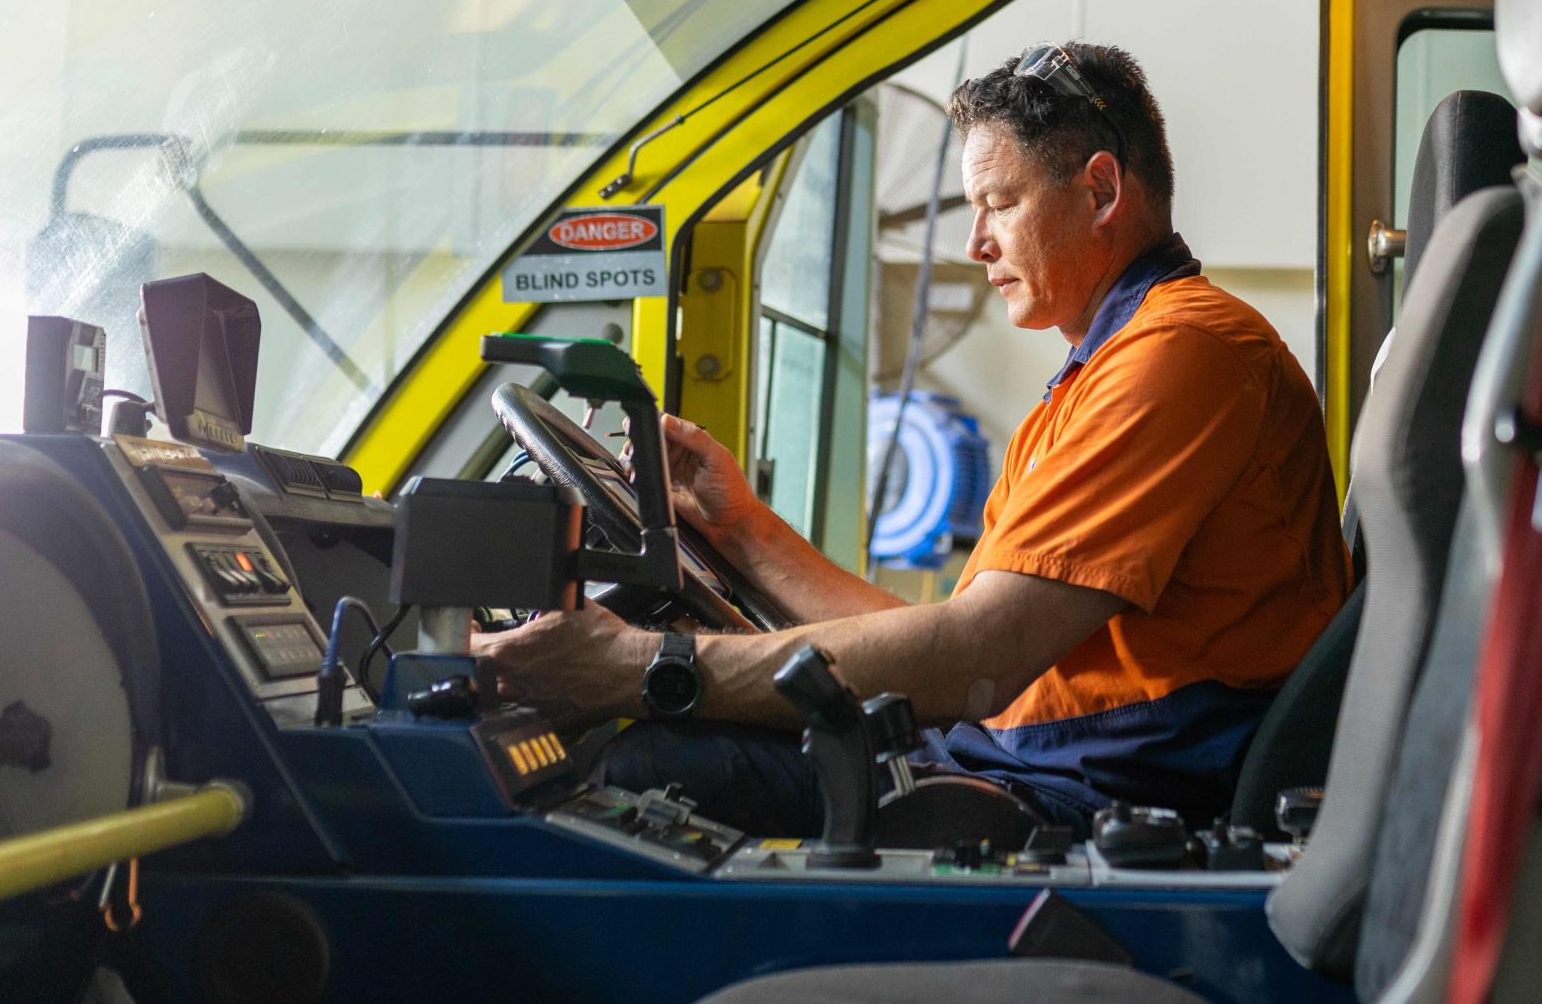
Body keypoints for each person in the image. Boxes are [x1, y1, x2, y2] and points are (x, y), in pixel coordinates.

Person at [476, 41, 1350, 834]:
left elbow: (973, 662)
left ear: (1100, 190)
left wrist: (640, 666)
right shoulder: (1094, 374)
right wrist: (739, 526)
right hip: (1014, 763)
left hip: (1071, 805)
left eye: (997, 204)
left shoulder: (1182, 352)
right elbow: (945, 642)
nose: (975, 242)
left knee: (648, 765)